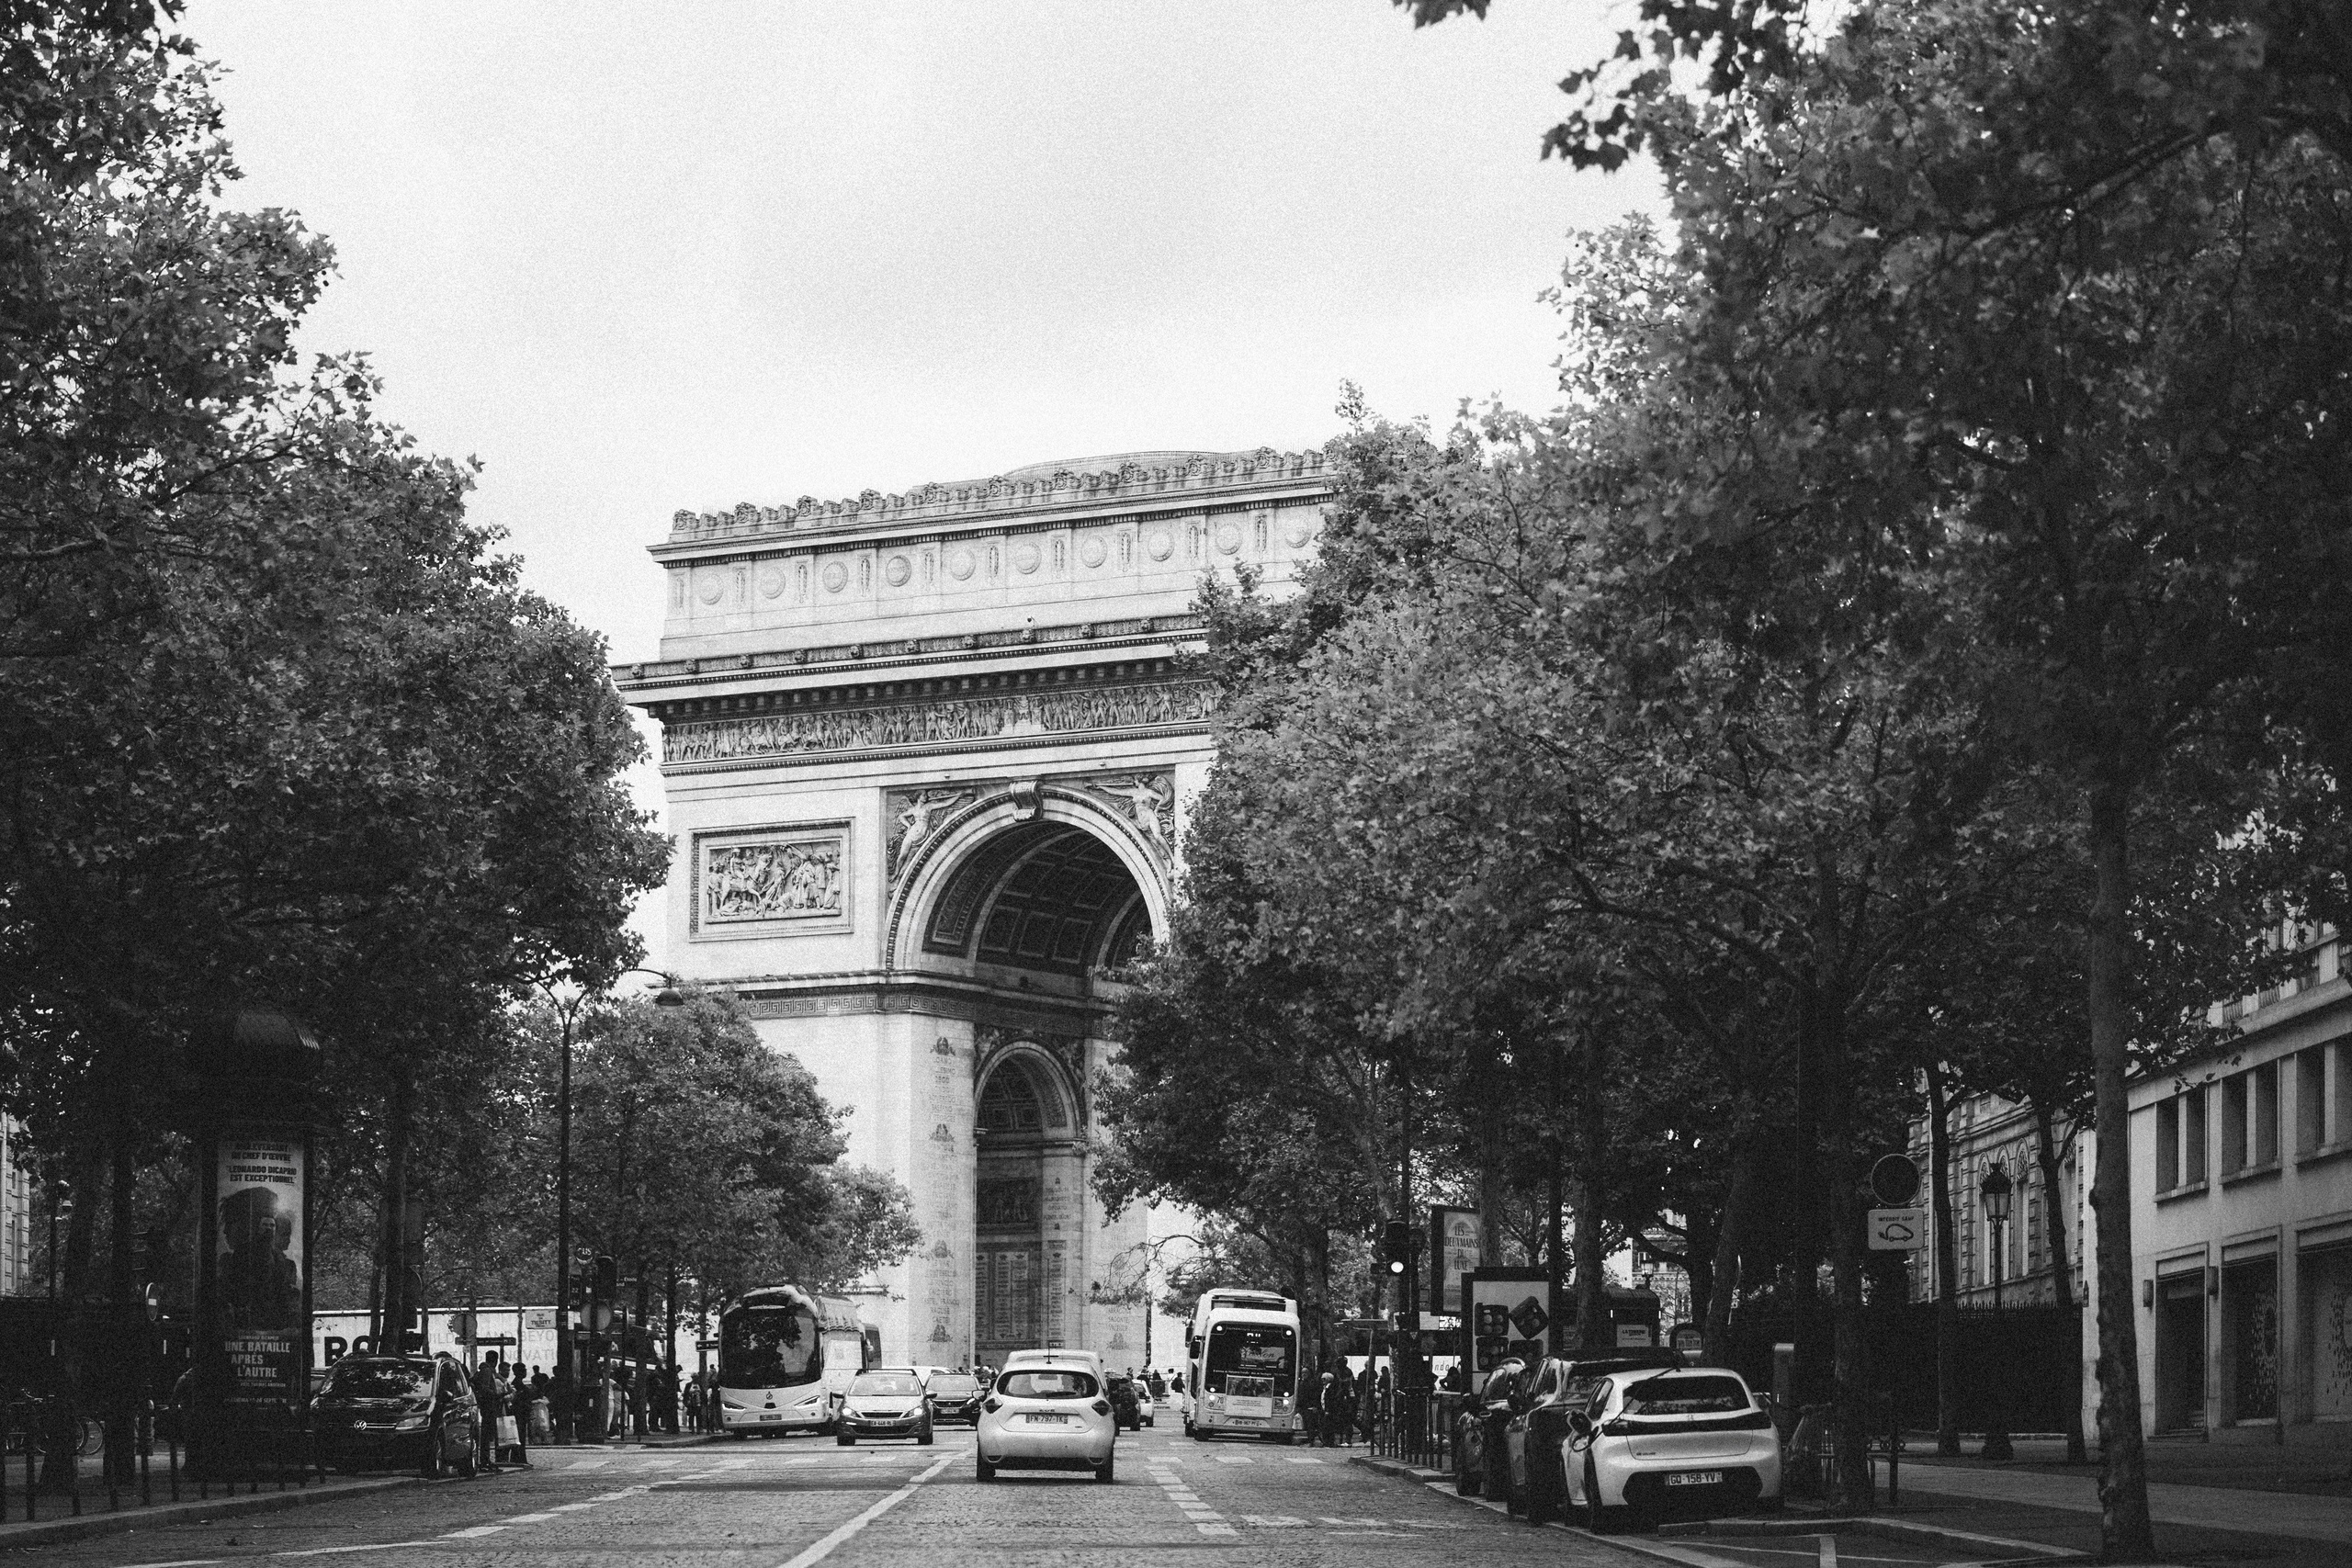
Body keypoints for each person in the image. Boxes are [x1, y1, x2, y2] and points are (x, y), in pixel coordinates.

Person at [471, 1353, 507, 1472]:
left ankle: (485, 1460)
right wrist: (496, 1395)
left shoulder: (484, 1370)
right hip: (489, 1406)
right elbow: (484, 1388)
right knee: (486, 1436)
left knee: (487, 1435)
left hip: (487, 1406)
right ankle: (484, 1461)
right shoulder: (487, 1371)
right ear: (495, 1361)